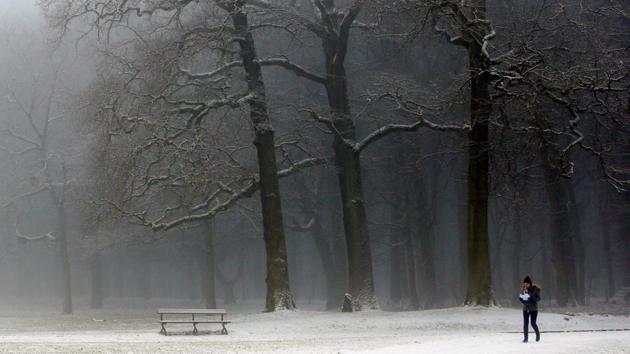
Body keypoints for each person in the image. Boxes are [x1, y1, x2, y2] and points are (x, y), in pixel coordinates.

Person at [519, 274, 541, 342]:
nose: (525, 285)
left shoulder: (535, 289)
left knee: (533, 323)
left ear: (530, 283)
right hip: (526, 309)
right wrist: (521, 299)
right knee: (525, 323)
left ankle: (537, 334)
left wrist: (531, 298)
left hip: (534, 309)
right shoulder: (523, 289)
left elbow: (538, 298)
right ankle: (526, 338)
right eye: (524, 284)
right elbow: (522, 298)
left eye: (527, 284)